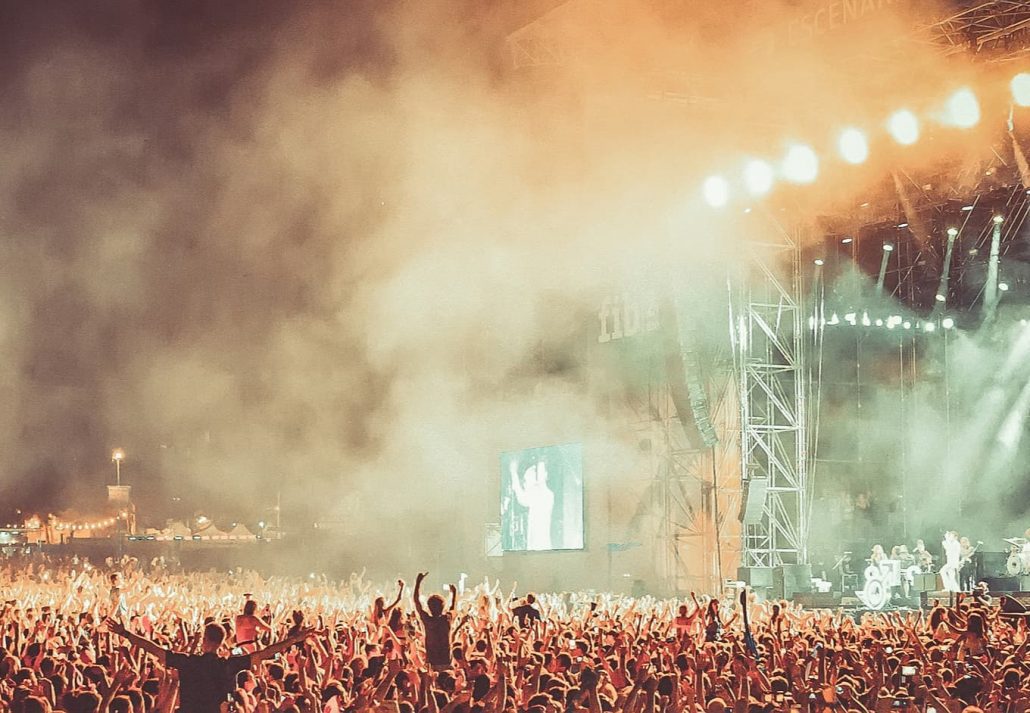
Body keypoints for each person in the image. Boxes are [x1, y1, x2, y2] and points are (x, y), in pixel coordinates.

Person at [106, 617, 312, 713]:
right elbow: (264, 653)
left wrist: (125, 633)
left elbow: (154, 649)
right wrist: (293, 640)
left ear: (204, 639)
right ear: (222, 642)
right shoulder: (229, 665)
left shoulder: (188, 662)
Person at [413, 571, 456, 671]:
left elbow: (416, 602)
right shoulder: (447, 619)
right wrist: (454, 593)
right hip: (446, 662)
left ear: (428, 607)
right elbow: (454, 608)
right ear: (443, 606)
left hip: (432, 664)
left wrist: (418, 582)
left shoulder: (427, 620)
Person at [509, 456, 554, 551]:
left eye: (528, 479)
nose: (525, 485)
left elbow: (522, 497)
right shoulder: (538, 495)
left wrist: (513, 471)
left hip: (541, 547)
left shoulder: (545, 494)